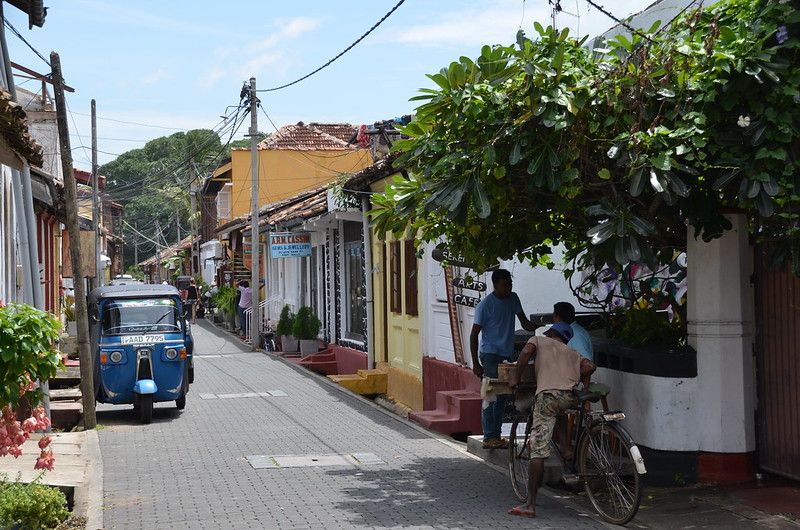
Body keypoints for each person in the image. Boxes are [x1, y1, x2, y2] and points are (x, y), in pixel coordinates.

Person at [508, 322, 595, 519]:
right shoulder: (573, 352)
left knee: (537, 450)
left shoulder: (538, 340)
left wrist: (515, 377)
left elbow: (525, 353)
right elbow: (589, 367)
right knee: (560, 411)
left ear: (550, 333)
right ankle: (566, 448)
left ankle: (530, 505)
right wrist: (586, 387)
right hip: (569, 396)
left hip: (547, 396)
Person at [470, 268, 537, 450]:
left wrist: (539, 325)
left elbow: (524, 322)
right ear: (495, 285)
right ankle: (489, 436)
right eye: (504, 285)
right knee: (492, 395)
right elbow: (474, 334)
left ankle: (495, 436)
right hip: (490, 355)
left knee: (502, 396)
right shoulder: (485, 305)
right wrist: (476, 363)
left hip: (505, 354)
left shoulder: (513, 298)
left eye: (510, 284)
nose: (508, 288)